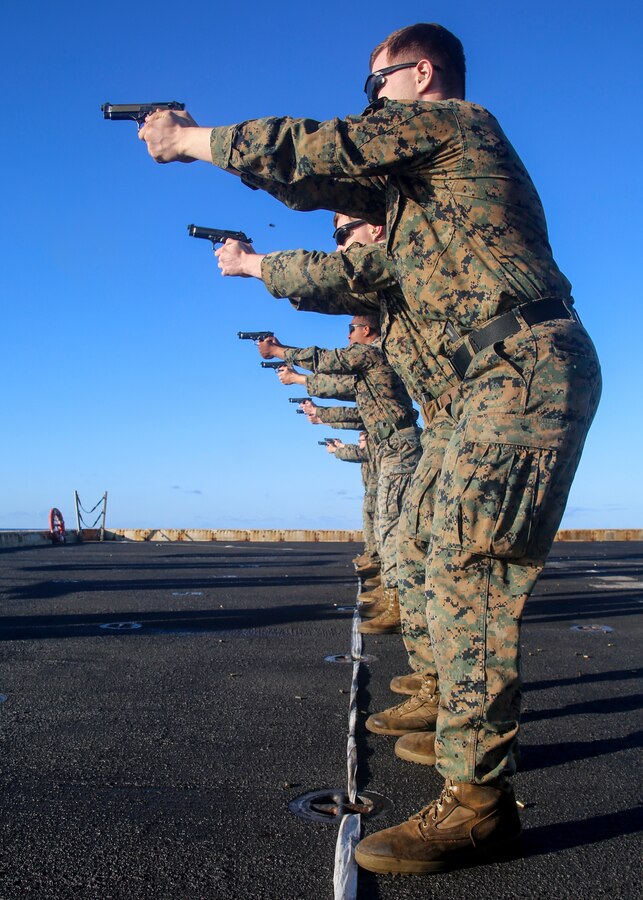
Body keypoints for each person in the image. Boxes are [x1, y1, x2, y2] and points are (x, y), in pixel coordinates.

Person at [138, 22, 602, 876]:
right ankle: (451, 718)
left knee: (467, 567)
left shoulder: (454, 125)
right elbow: (341, 256)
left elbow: (321, 151)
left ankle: (477, 805)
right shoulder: (423, 206)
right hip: (476, 383)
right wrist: (254, 264)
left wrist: (194, 141)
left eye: (374, 83)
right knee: (431, 549)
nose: (368, 100)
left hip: (516, 365)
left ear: (419, 75)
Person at [255, 317, 422, 636]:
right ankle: (393, 596)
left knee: (389, 523)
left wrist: (279, 351)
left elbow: (328, 361)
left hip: (398, 444)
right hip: (391, 445)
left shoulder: (372, 353)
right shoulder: (370, 364)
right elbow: (342, 388)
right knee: (385, 522)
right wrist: (315, 405)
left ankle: (400, 602)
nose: (347, 337)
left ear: (367, 331)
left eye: (351, 330)